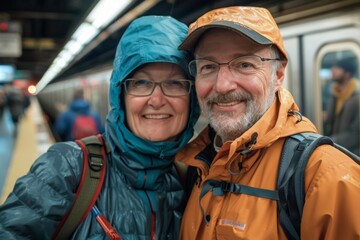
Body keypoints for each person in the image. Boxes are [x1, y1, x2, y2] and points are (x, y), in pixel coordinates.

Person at [0, 15, 200, 239]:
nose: (156, 99)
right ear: (120, 95)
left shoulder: (195, 181)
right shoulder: (65, 170)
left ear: (192, 99)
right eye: (141, 82)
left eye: (174, 83)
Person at [176, 6, 360, 239]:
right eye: (208, 67)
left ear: (279, 74)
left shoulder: (327, 179)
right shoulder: (197, 167)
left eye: (244, 64)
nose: (222, 85)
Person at [323, 57, 359, 155]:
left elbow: (356, 134)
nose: (332, 70)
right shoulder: (334, 94)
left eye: (338, 68)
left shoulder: (357, 98)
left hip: (352, 154)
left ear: (347, 73)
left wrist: (331, 141)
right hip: (337, 150)